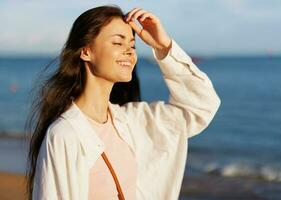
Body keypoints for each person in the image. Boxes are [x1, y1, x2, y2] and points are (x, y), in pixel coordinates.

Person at [25, 4, 221, 200]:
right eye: (118, 43)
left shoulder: (132, 121)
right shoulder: (64, 135)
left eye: (133, 45)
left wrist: (162, 47)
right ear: (86, 52)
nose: (129, 51)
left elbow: (201, 106)